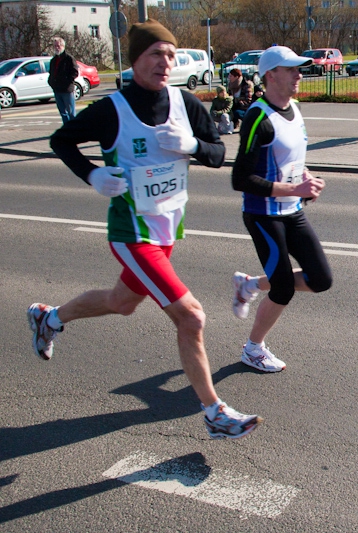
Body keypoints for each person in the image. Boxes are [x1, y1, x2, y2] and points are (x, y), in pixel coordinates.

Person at [35, 19, 262, 440]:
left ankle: (49, 319)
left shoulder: (185, 103)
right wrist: (91, 175)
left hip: (167, 231)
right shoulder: (111, 109)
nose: (165, 62)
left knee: (122, 302)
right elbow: (61, 141)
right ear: (136, 59)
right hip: (130, 232)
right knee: (191, 317)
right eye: (156, 54)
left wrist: (193, 146)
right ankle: (214, 412)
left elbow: (217, 154)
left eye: (171, 55)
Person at [230, 46, 332, 373]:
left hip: (292, 210)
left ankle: (250, 284)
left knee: (321, 279)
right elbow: (241, 178)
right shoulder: (257, 117)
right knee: (284, 287)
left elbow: (290, 161)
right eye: (291, 70)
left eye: (299, 69)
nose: (299, 75)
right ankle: (253, 348)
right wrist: (296, 189)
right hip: (263, 214)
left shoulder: (295, 108)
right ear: (270, 74)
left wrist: (306, 179)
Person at [48, 37, 79, 124]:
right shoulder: (53, 60)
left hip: (67, 90)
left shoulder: (69, 59)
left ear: (63, 46)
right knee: (63, 112)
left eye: (58, 46)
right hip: (57, 90)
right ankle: (66, 129)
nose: (56, 48)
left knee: (71, 112)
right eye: (55, 46)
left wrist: (67, 82)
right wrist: (51, 83)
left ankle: (74, 130)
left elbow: (75, 72)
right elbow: (51, 73)